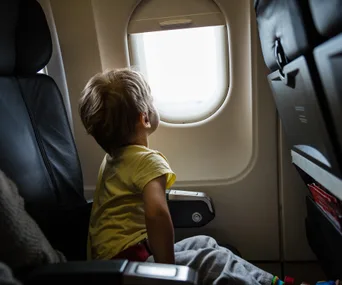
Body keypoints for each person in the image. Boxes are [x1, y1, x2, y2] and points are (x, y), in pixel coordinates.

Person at [77, 68, 327, 285]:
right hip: (130, 263)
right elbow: (156, 213)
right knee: (213, 259)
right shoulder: (148, 161)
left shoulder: (110, 160)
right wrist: (166, 272)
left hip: (110, 262)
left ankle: (276, 283)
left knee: (204, 243)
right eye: (151, 102)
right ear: (144, 118)